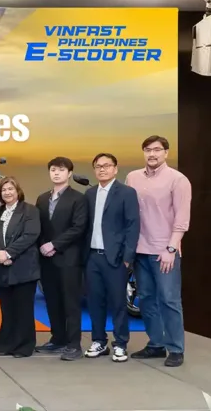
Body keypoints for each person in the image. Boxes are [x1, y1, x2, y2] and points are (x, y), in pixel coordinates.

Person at [125, 135, 191, 367]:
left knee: (169, 300)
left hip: (164, 251)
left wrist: (171, 248)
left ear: (166, 152)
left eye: (156, 150)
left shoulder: (178, 179)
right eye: (147, 150)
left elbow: (182, 218)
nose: (152, 154)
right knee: (146, 300)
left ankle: (176, 349)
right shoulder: (132, 177)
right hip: (139, 250)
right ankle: (156, 344)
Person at [83, 153, 139, 363]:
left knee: (118, 303)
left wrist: (128, 257)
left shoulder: (127, 193)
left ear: (115, 169)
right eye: (98, 166)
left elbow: (133, 225)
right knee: (95, 302)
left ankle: (121, 343)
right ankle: (98, 341)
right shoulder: (89, 194)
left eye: (107, 165)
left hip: (116, 258)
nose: (102, 169)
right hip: (92, 257)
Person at [34, 157, 87, 361]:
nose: (56, 173)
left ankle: (74, 344)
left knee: (70, 302)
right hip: (46, 259)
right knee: (52, 300)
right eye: (53, 170)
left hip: (69, 258)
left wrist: (54, 245)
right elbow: (38, 227)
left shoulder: (78, 198)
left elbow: (78, 228)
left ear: (70, 173)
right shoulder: (41, 199)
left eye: (61, 170)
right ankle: (58, 339)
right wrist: (43, 245)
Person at [0, 176, 41, 358]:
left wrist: (8, 253)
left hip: (23, 266)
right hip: (1, 267)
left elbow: (30, 235)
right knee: (7, 309)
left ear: (18, 191)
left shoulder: (30, 210)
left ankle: (24, 347)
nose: (7, 192)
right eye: (4, 190)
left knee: (23, 309)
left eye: (11, 189)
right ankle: (6, 345)